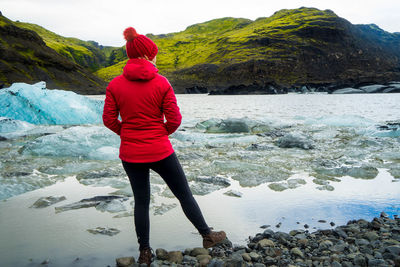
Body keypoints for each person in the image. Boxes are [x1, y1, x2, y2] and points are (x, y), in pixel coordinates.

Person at [102, 27, 226, 266]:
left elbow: (109, 120)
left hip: (131, 153)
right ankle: (207, 236)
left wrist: (128, 133)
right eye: (154, 53)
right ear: (148, 56)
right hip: (160, 150)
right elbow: (175, 120)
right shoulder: (162, 83)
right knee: (183, 194)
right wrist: (159, 133)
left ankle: (144, 252)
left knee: (141, 202)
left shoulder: (115, 85)